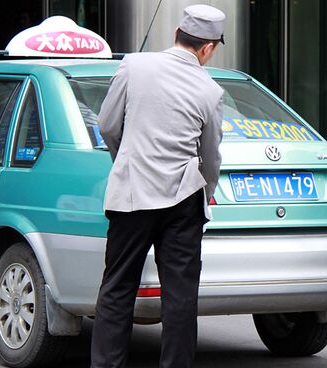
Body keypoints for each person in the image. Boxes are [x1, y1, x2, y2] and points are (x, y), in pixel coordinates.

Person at [90, 4, 225, 368]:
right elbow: (210, 157)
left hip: (131, 194)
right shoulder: (210, 91)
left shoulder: (133, 66)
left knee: (117, 287)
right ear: (208, 48)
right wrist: (206, 192)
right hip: (183, 198)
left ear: (177, 34)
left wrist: (127, 160)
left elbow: (106, 126)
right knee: (180, 298)